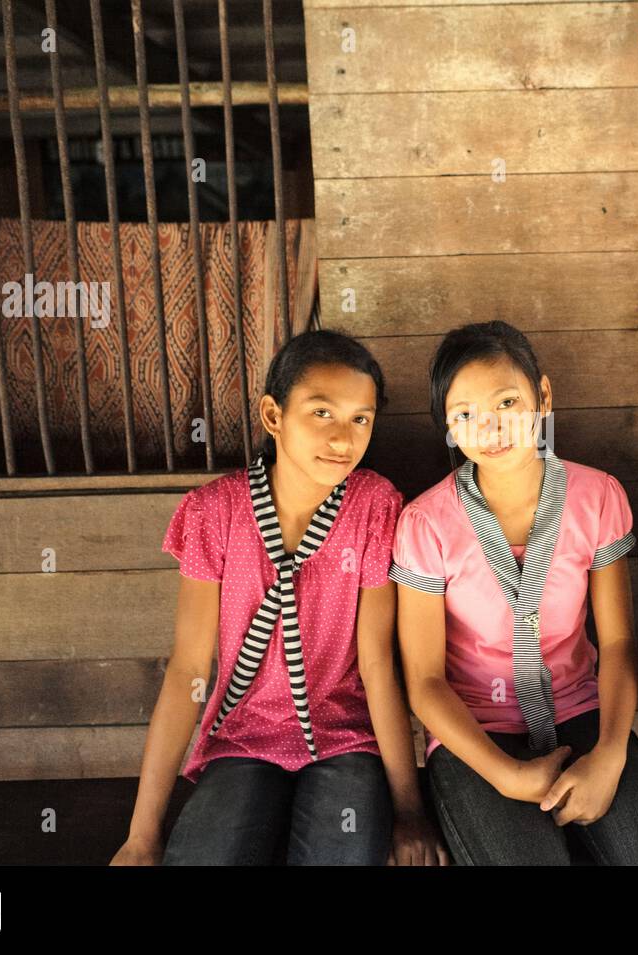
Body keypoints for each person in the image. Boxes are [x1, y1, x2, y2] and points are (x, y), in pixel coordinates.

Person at [110, 329, 447, 865]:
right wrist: (142, 836)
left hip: (346, 738)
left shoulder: (373, 508)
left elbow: (378, 665)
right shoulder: (213, 514)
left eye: (361, 418)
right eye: (321, 413)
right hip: (242, 737)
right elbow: (188, 670)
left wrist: (410, 812)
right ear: (274, 416)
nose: (343, 438)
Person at [390, 320, 638, 865]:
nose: (489, 427)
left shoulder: (598, 497)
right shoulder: (425, 522)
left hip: (584, 714)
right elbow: (424, 681)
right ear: (448, 427)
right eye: (465, 415)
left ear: (543, 396)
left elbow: (621, 643)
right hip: (477, 736)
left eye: (507, 401)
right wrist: (507, 776)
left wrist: (609, 754)